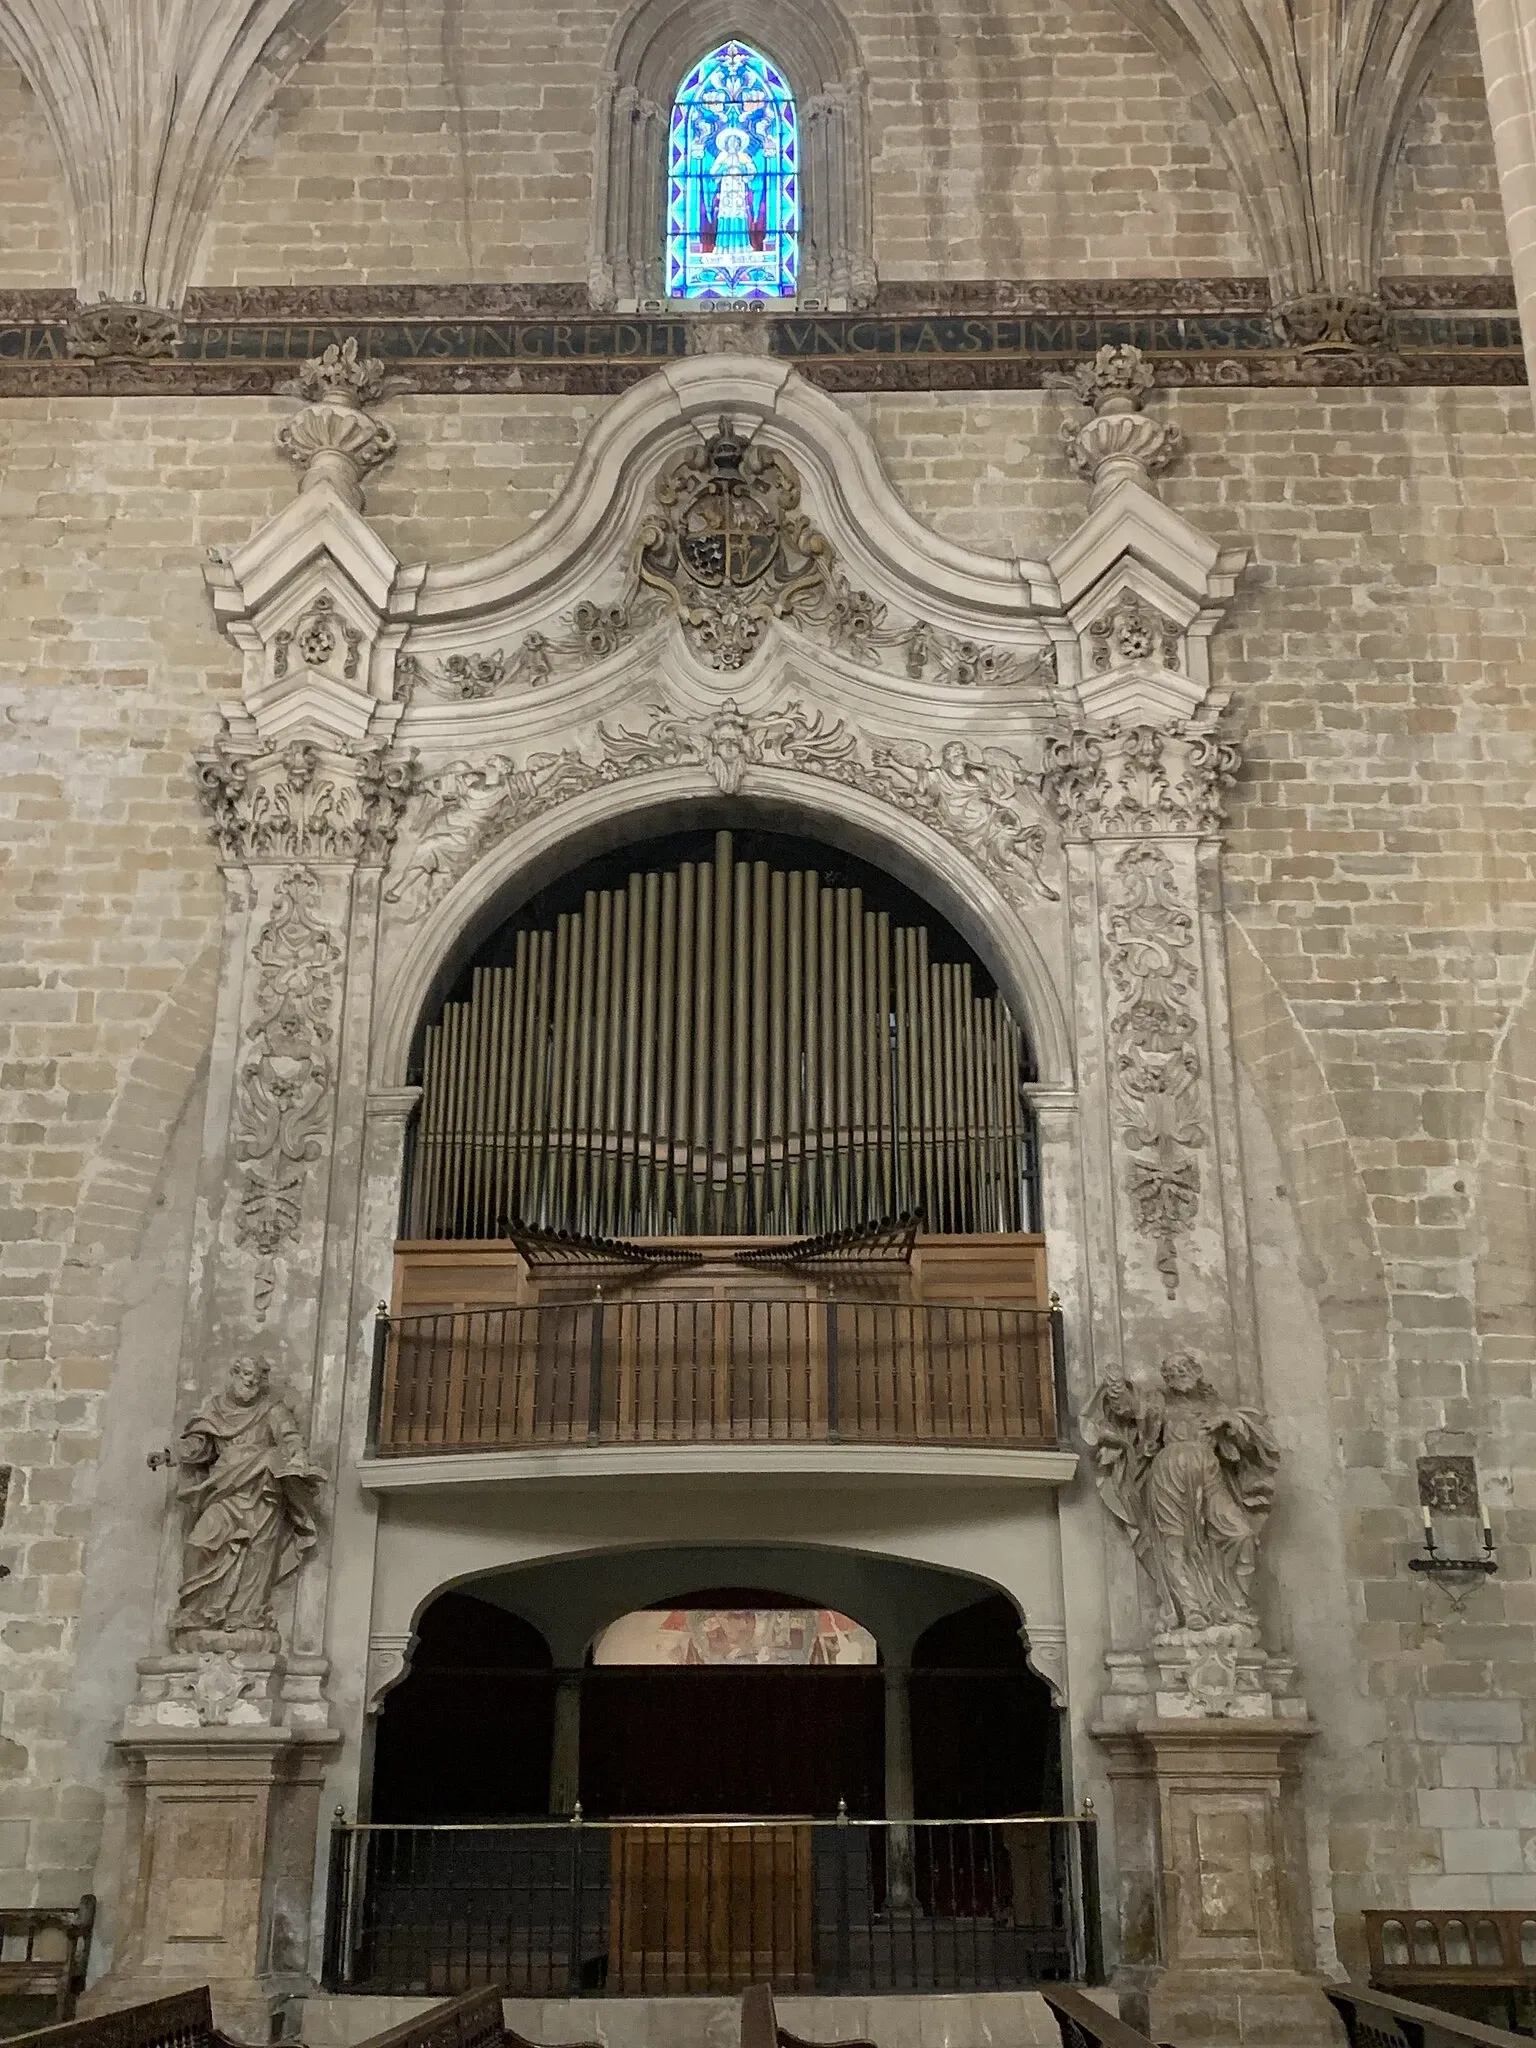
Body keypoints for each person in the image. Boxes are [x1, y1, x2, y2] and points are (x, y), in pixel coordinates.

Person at [171, 1356, 321, 1649]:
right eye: (247, 1377)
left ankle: (244, 1615)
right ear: (235, 1374)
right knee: (199, 1543)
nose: (252, 1384)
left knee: (257, 1556)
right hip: (224, 1490)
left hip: (262, 1490)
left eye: (258, 1379)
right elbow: (197, 1446)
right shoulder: (214, 1410)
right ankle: (200, 1612)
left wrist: (298, 1457)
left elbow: (289, 1438)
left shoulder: (272, 1409)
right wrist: (171, 1454)